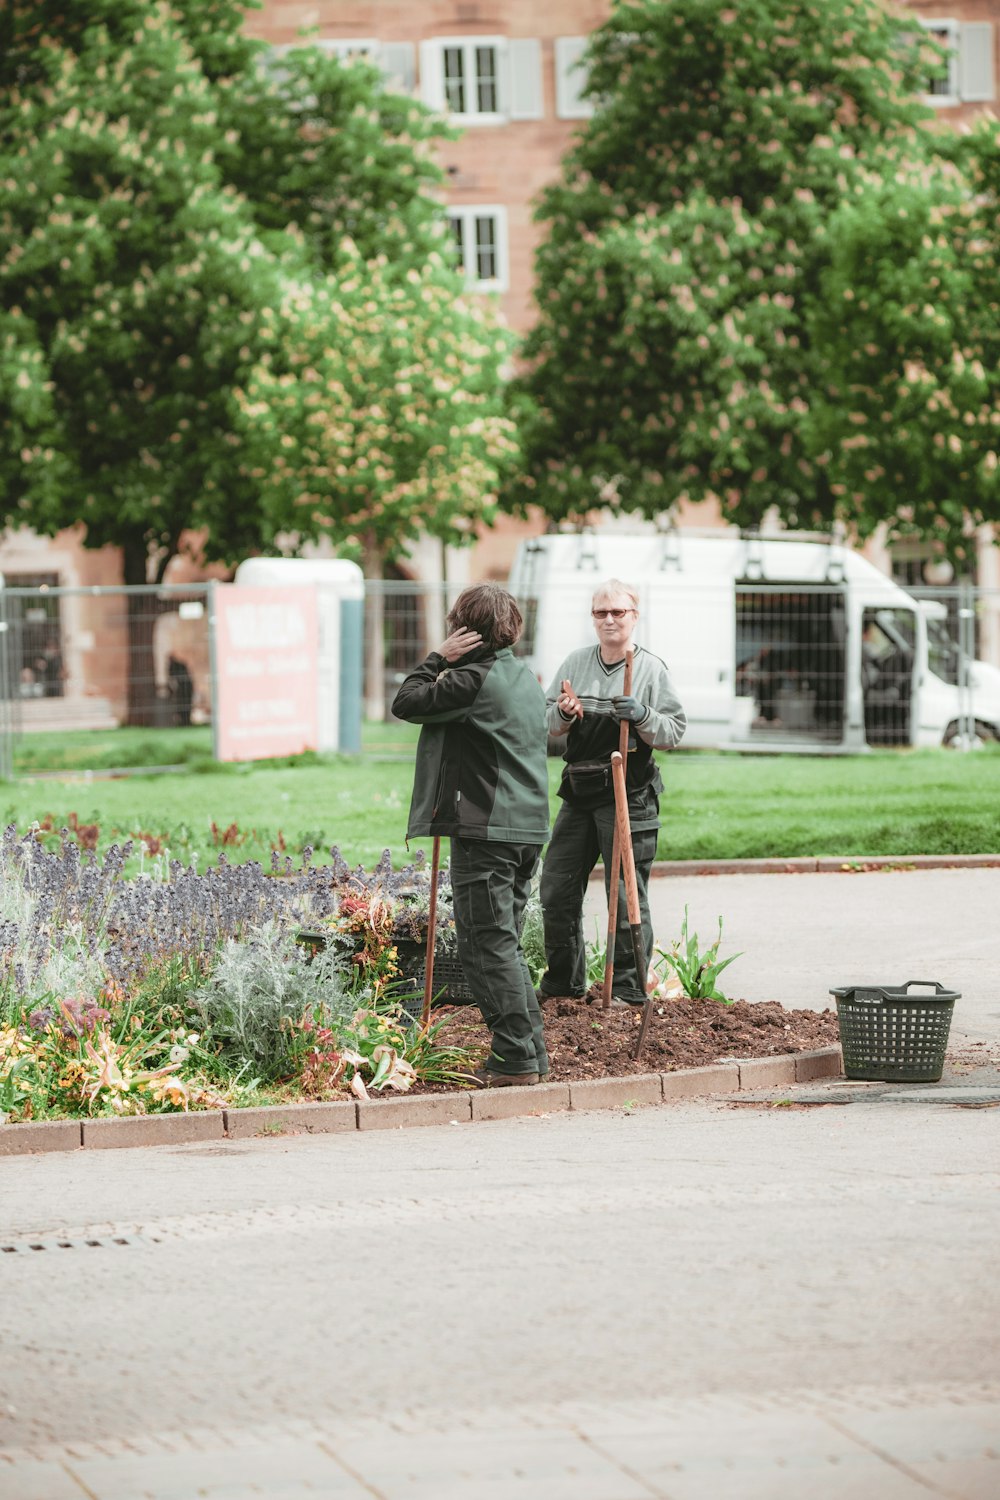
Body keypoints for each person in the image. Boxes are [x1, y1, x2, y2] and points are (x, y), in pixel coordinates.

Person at [391, 583, 550, 1086]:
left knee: (484, 946)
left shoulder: (472, 679)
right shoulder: (522, 674)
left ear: (464, 628)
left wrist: (436, 657)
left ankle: (514, 1058)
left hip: (488, 831)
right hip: (525, 829)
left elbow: (407, 701)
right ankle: (531, 1053)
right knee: (505, 943)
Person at [538, 579, 687, 1007]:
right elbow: (546, 722)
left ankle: (627, 987)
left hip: (628, 792)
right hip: (580, 791)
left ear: (634, 616)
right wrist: (564, 715)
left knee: (623, 894)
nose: (609, 620)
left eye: (618, 612)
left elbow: (674, 730)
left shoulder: (650, 670)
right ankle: (563, 982)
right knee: (556, 887)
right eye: (601, 613)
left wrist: (642, 716)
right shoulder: (576, 663)